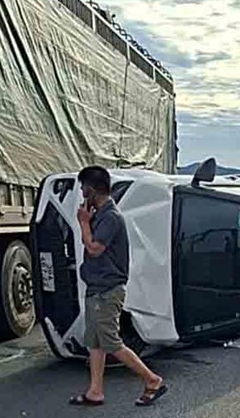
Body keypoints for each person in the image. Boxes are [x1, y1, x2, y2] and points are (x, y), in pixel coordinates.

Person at [69, 166, 168, 407]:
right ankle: (95, 391)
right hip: (96, 287)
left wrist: (83, 222)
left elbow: (94, 248)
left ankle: (153, 380)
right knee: (93, 341)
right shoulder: (101, 215)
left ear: (91, 190)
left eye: (83, 188)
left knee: (111, 342)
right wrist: (89, 221)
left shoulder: (111, 217)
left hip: (107, 290)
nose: (82, 192)